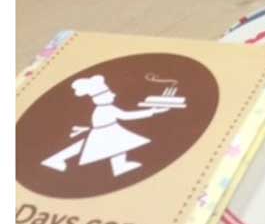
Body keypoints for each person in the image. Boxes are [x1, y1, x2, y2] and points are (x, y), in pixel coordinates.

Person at [41, 75, 169, 177]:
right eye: (109, 93)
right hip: (105, 132)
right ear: (100, 98)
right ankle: (55, 159)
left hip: (108, 130)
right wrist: (152, 111)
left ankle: (120, 167)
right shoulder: (106, 108)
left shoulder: (103, 108)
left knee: (117, 146)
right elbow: (126, 116)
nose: (113, 94)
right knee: (89, 147)